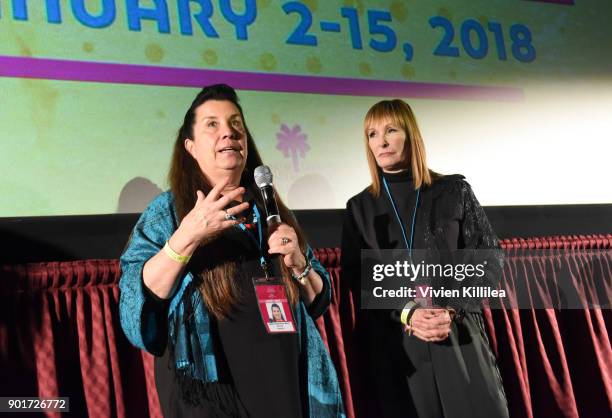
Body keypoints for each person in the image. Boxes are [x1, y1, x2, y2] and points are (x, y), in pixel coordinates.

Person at [119, 84, 345, 418]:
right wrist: (187, 236)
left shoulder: (271, 207)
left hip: (284, 379)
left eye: (236, 123)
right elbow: (134, 307)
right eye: (212, 124)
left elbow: (318, 299)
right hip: (213, 393)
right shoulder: (167, 212)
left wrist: (299, 264)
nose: (229, 132)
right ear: (190, 147)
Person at [341, 99, 508, 418]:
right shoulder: (359, 208)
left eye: (391, 130)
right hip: (399, 346)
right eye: (372, 134)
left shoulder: (453, 191)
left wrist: (450, 307)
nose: (382, 141)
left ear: (411, 135)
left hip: (457, 332)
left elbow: (489, 257)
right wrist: (408, 312)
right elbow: (359, 279)